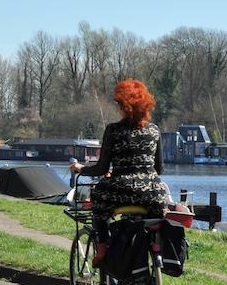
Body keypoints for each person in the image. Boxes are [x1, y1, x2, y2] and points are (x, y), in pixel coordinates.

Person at [68, 79, 166, 268]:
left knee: (97, 197)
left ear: (124, 106)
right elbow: (159, 169)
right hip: (153, 194)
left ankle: (103, 244)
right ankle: (153, 250)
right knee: (154, 221)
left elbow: (102, 169)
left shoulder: (113, 130)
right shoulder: (154, 131)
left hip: (120, 191)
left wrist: (82, 169)